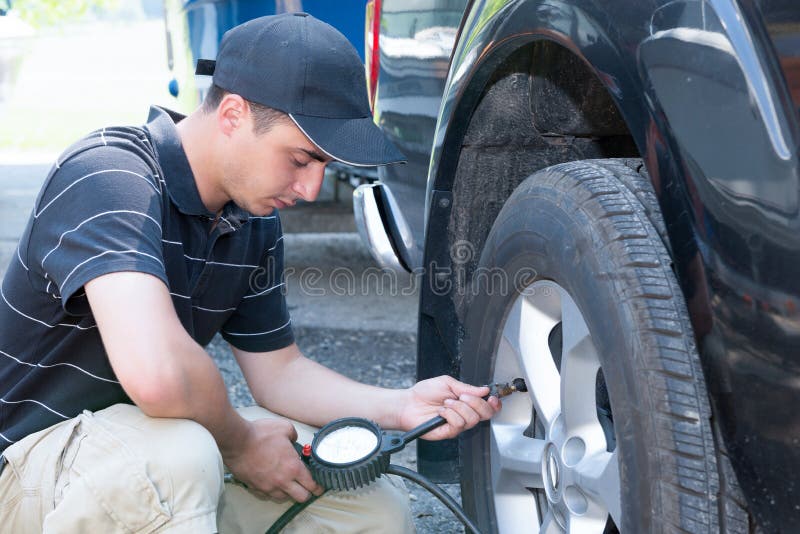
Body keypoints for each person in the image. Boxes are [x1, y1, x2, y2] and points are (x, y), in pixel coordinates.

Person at [0, 12, 501, 533]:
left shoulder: (250, 221)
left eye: (324, 166)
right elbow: (157, 375)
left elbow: (280, 373)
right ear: (234, 114)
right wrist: (239, 445)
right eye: (301, 159)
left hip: (134, 458)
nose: (309, 189)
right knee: (180, 457)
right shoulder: (108, 177)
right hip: (27, 470)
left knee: (367, 507)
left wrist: (400, 406)